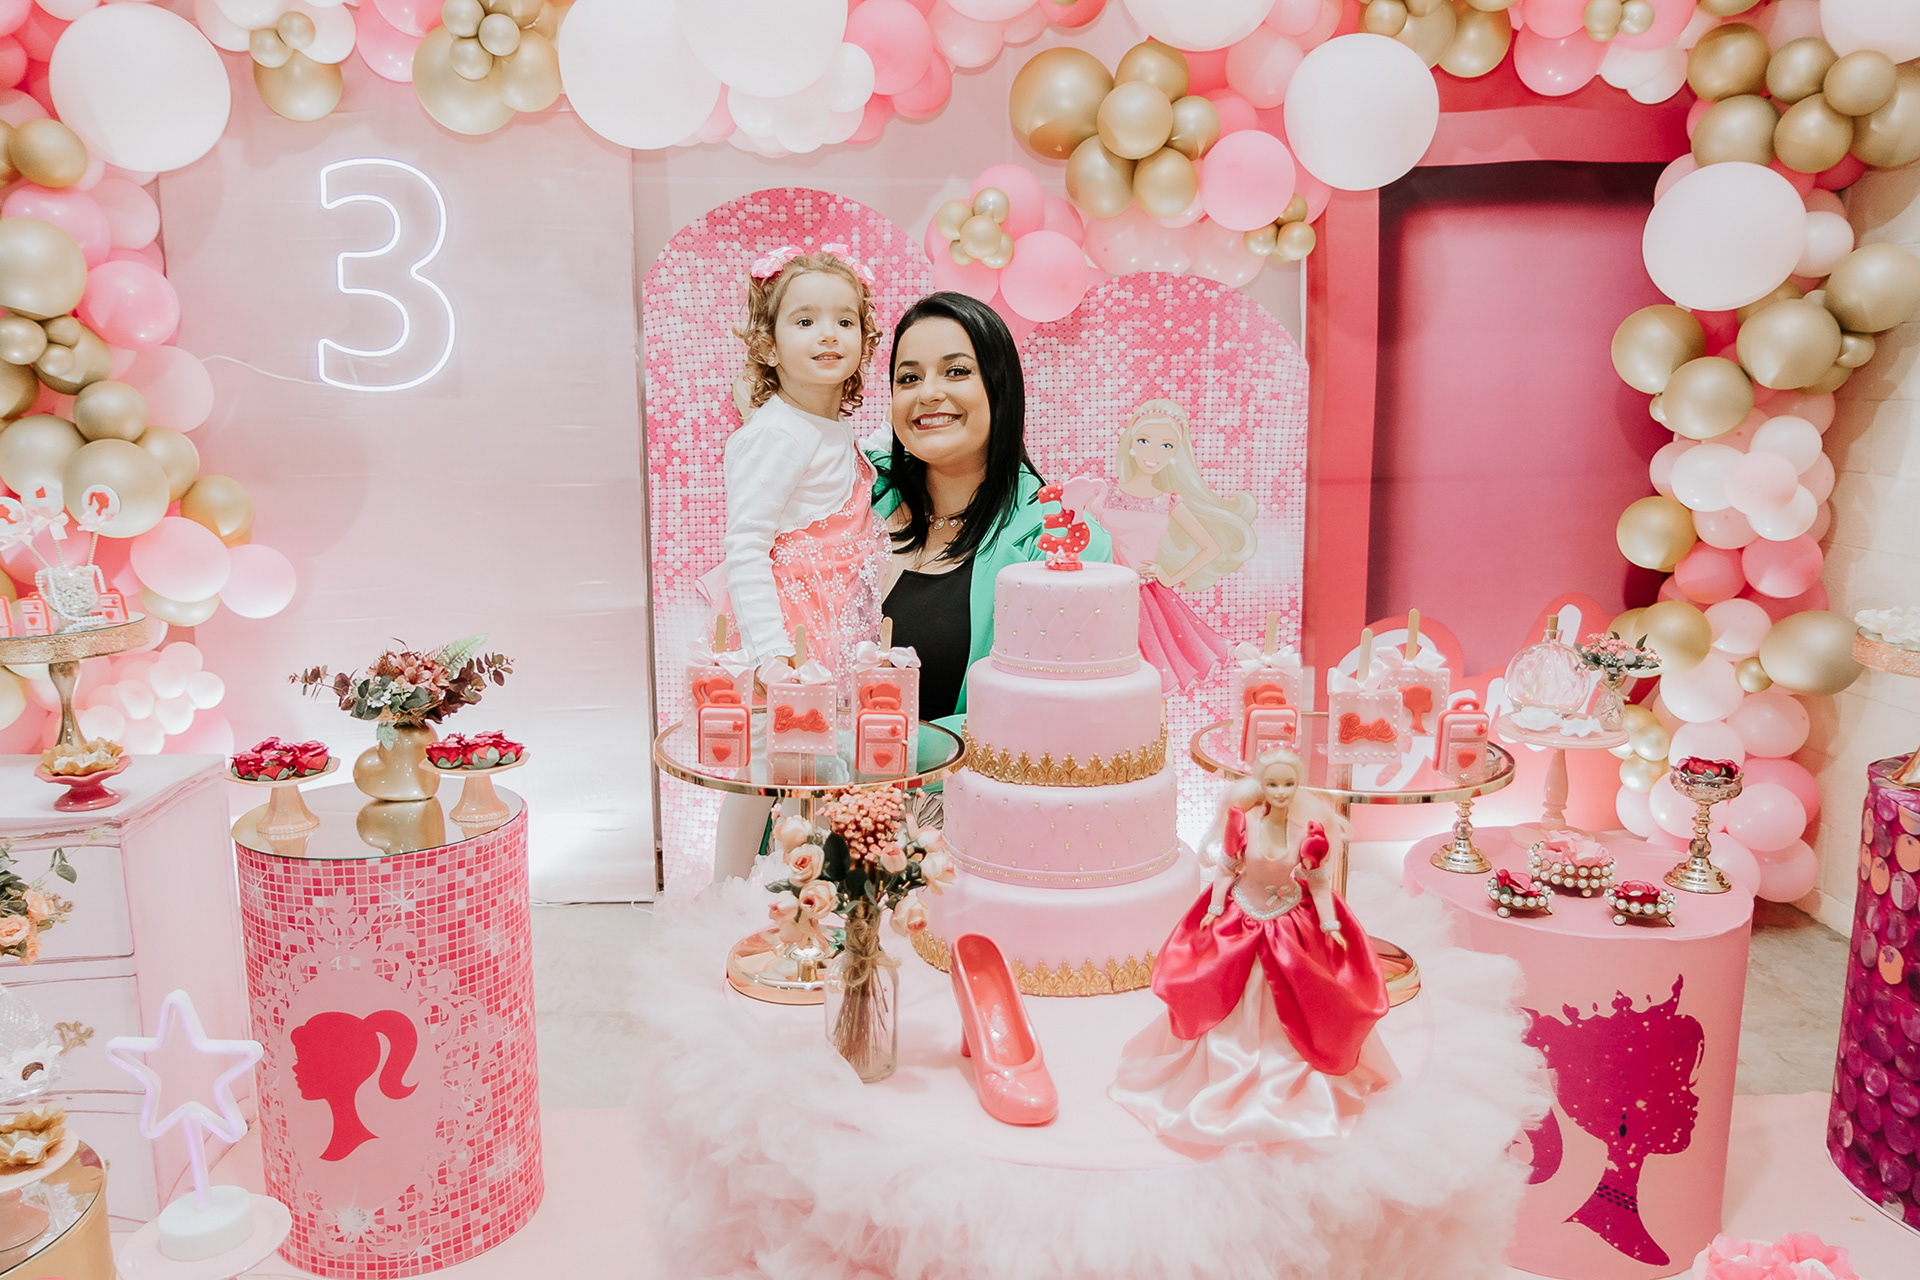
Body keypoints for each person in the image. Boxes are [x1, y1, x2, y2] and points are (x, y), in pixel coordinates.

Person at [708, 245, 890, 883]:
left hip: (828, 629)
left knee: (809, 777)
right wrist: (771, 655)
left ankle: (804, 901)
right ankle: (731, 898)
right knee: (768, 774)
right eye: (805, 320)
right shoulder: (778, 434)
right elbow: (746, 547)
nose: (828, 334)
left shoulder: (823, 428)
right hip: (789, 639)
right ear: (768, 343)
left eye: (845, 320)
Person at [1109, 746, 1395, 1148]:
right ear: (1261, 785)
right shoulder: (1244, 822)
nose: (1281, 791)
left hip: (1291, 920)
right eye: (1273, 784)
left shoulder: (1309, 832)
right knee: (1223, 984)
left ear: (1297, 785)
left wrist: (1330, 924)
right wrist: (1213, 908)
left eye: (1288, 784)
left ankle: (1285, 1064)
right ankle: (1227, 1062)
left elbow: (1318, 884)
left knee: (1304, 992)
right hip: (1241, 915)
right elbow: (1227, 870)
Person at [874, 291, 1112, 725]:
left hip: (960, 771)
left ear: (1000, 387)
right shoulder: (856, 495)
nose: (928, 393)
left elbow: (1044, 719)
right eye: (908, 378)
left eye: (956, 371)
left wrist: (902, 750)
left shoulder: (1059, 544)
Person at [1072, 398, 1256, 692]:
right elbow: (1082, 540)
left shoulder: (1167, 501)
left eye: (1166, 445)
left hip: (1147, 595)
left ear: (1174, 454)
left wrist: (1169, 576)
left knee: (1151, 674)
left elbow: (1209, 547)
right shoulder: (1104, 494)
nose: (1153, 454)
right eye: (1144, 441)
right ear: (1131, 444)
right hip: (1106, 594)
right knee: (1109, 676)